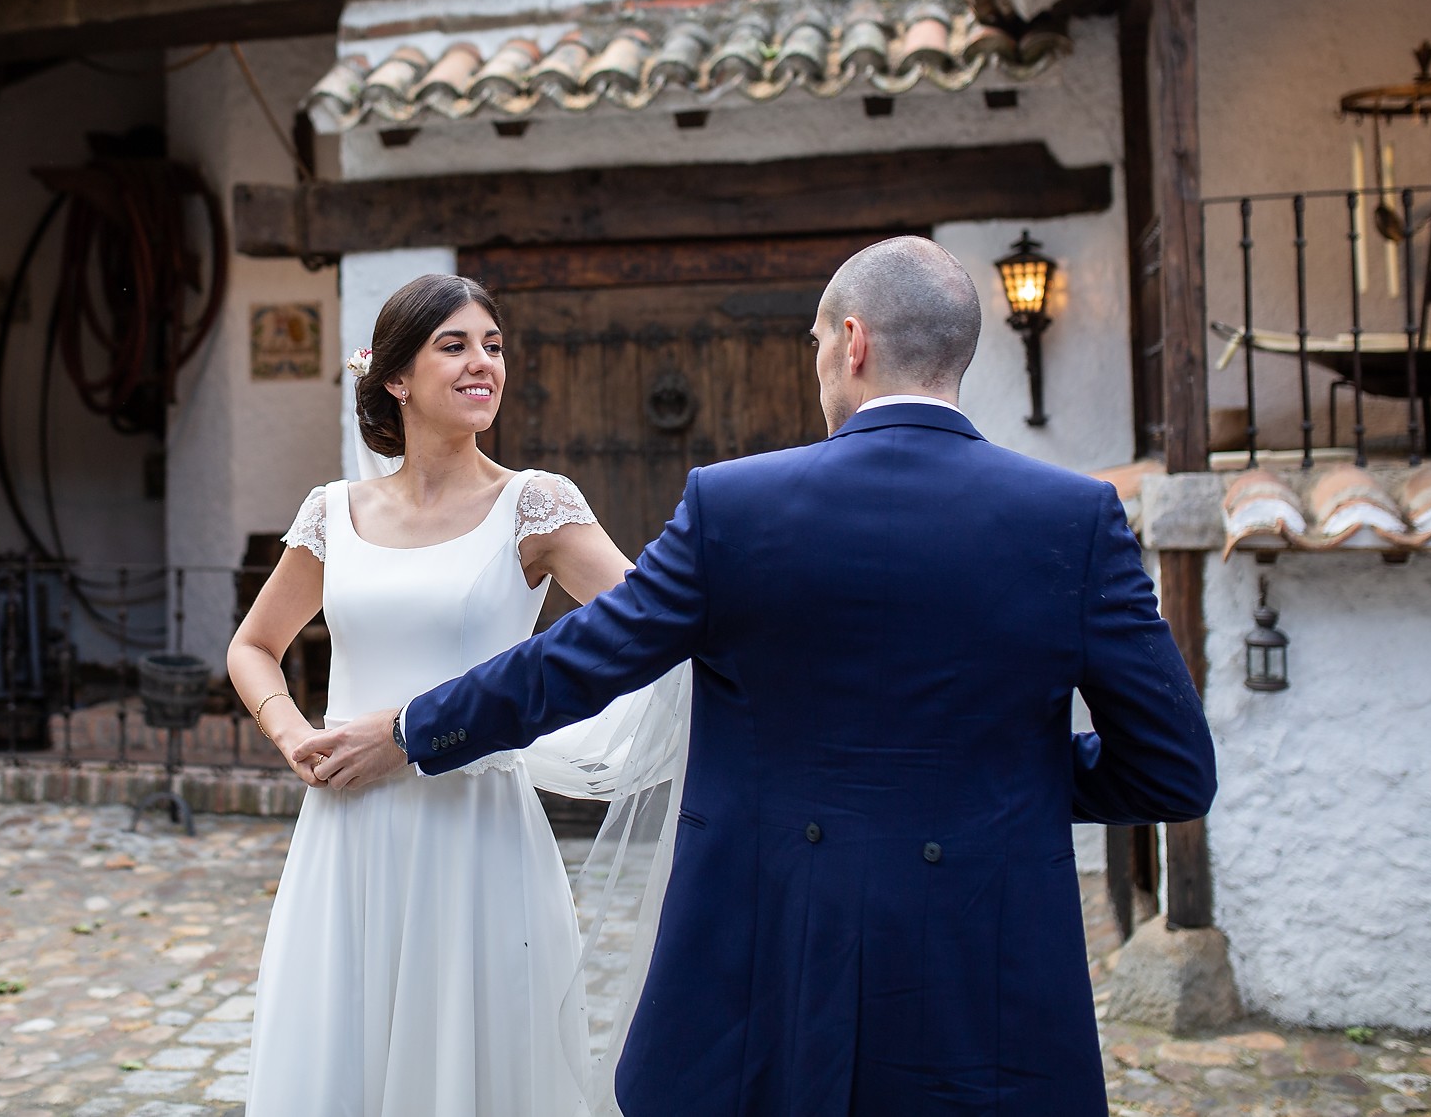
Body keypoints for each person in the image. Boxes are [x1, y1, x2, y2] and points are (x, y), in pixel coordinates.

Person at [302, 237, 1219, 1117]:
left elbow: (573, 664)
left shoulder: (734, 505)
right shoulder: (1076, 518)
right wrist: (992, 777)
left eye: (819, 342)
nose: (819, 362)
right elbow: (1173, 767)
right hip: (984, 968)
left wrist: (411, 730)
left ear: (852, 343)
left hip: (765, 968)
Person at [227, 272, 662, 1117]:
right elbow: (253, 644)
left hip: (475, 835)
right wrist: (290, 735)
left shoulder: (533, 506)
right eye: (454, 345)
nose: (483, 364)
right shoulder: (333, 513)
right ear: (395, 376)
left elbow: (651, 625)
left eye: (493, 346)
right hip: (347, 836)